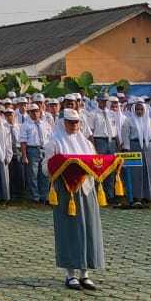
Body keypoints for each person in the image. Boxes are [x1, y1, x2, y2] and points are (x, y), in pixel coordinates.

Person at [44, 108, 105, 290]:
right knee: (70, 231)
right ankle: (70, 274)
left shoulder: (87, 144)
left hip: (86, 190)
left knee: (89, 229)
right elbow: (45, 169)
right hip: (66, 192)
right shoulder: (54, 143)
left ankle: (85, 274)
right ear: (62, 123)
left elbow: (95, 164)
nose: (74, 126)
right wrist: (60, 164)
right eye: (70, 122)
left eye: (76, 122)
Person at [122, 99, 151, 206]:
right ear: (134, 110)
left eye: (141, 109)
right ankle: (136, 197)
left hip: (149, 149)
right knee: (136, 173)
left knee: (150, 173)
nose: (139, 111)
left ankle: (150, 197)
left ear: (145, 110)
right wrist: (127, 152)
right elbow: (125, 137)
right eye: (137, 109)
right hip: (134, 148)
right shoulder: (128, 122)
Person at [19, 104, 52, 202]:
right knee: (33, 174)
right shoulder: (25, 125)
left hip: (44, 149)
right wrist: (24, 156)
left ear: (40, 112)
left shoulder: (45, 124)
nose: (35, 113)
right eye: (32, 111)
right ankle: (35, 196)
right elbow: (23, 141)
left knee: (44, 173)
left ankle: (44, 196)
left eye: (37, 111)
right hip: (32, 149)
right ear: (28, 113)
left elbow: (50, 138)